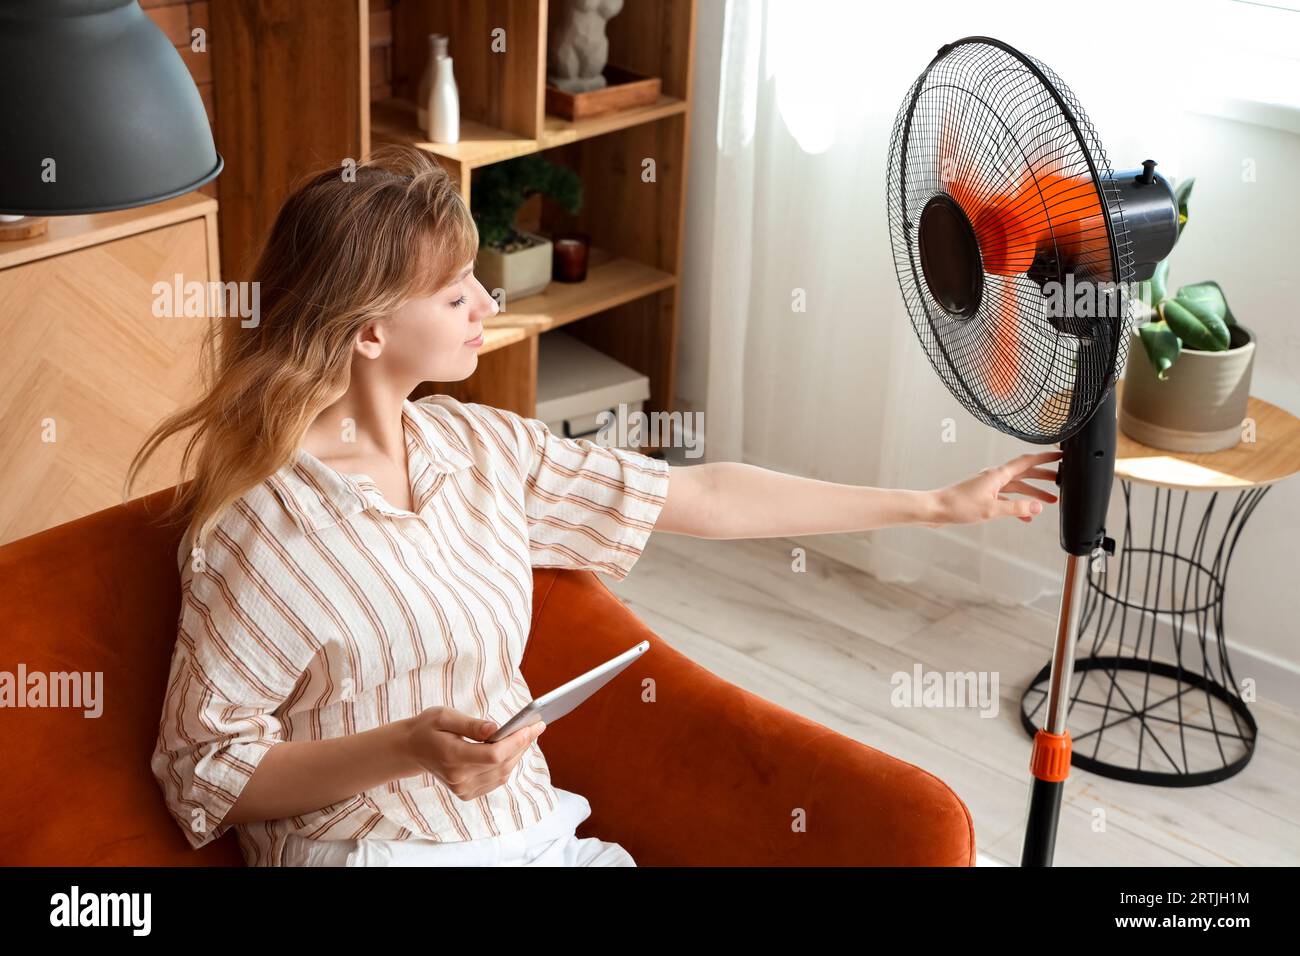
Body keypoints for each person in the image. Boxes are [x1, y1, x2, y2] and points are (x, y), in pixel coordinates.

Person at [129, 144, 1061, 867]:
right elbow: (204, 772)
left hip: (528, 829)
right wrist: (406, 749)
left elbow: (703, 495)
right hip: (373, 851)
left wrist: (936, 504)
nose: (484, 303)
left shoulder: (478, 446)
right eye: (454, 292)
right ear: (369, 328)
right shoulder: (259, 525)